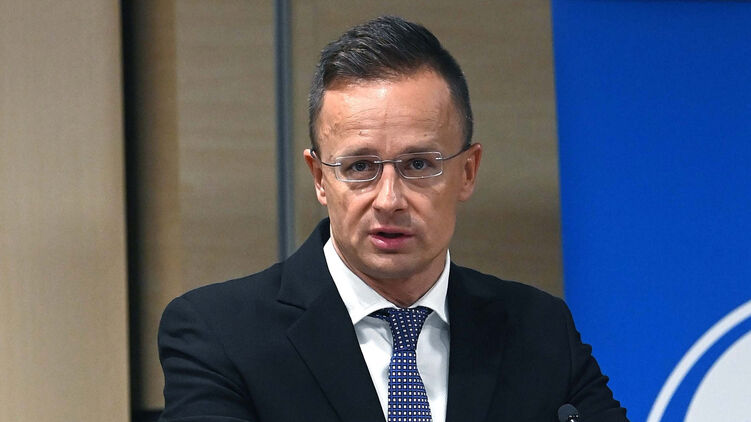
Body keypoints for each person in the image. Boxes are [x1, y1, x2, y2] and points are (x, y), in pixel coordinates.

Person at [158, 15, 628, 422]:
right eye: (359, 167)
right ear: (320, 178)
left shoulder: (539, 329)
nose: (389, 200)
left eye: (418, 164)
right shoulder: (219, 334)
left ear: (468, 172)